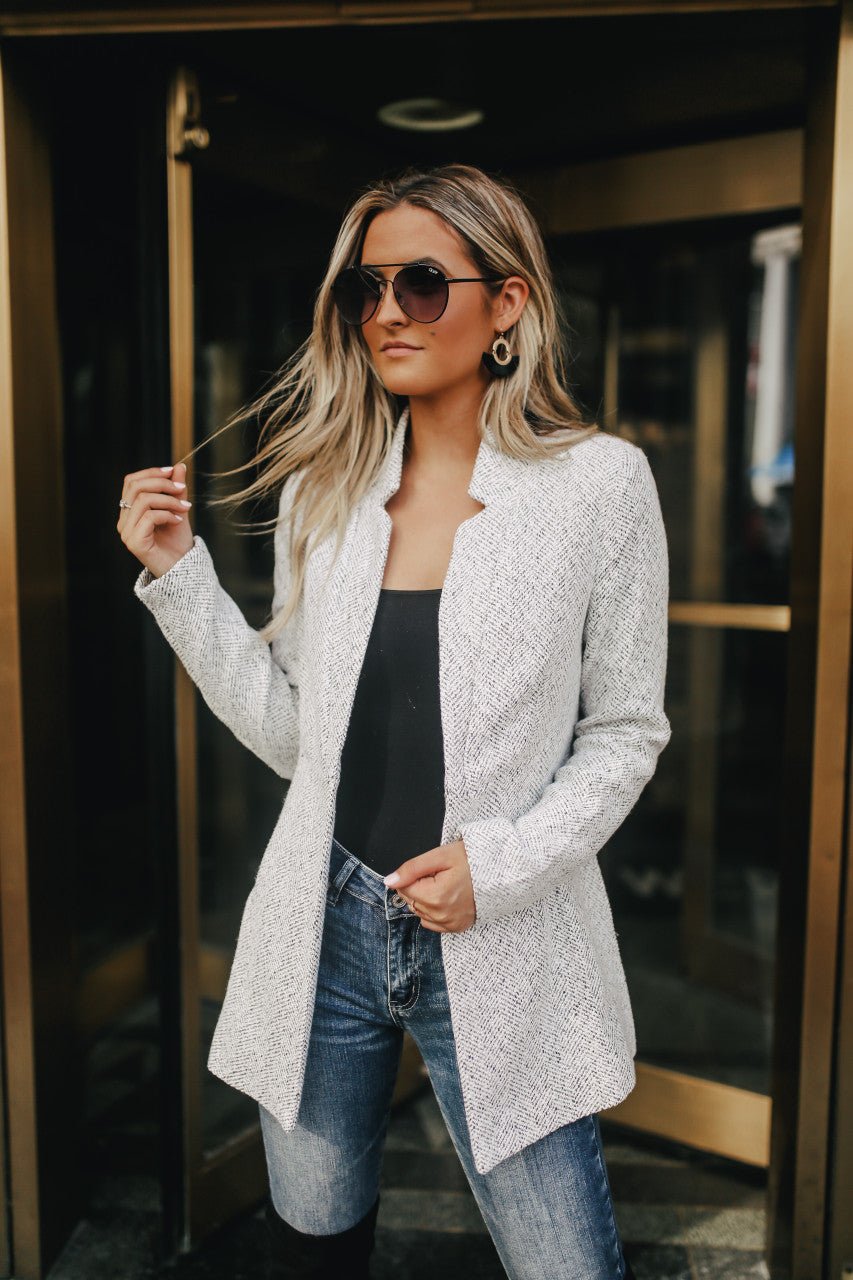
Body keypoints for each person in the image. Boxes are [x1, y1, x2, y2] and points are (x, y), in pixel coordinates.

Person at [118, 162, 669, 1279]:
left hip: (502, 929)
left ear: (506, 302)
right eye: (363, 289)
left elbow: (624, 730)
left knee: (566, 1264)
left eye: (420, 282)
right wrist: (180, 579)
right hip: (324, 926)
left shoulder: (599, 486)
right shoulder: (326, 492)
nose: (385, 313)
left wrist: (497, 867)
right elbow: (296, 739)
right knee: (314, 1244)